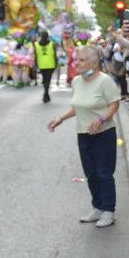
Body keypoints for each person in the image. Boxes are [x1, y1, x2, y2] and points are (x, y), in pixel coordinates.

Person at [47, 44, 121, 227]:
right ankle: (97, 207)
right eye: (75, 59)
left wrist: (101, 119)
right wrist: (60, 118)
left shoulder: (105, 81)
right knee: (91, 173)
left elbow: (114, 103)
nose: (76, 63)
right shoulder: (76, 82)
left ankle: (108, 211)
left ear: (94, 64)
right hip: (83, 134)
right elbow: (77, 106)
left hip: (103, 134)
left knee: (104, 173)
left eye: (81, 60)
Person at [34, 31, 58, 103]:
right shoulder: (52, 44)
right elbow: (55, 55)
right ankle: (46, 93)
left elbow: (36, 55)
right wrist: (56, 64)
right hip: (50, 64)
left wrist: (36, 64)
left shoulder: (37, 45)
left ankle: (46, 94)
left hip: (42, 64)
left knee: (44, 80)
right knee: (48, 80)